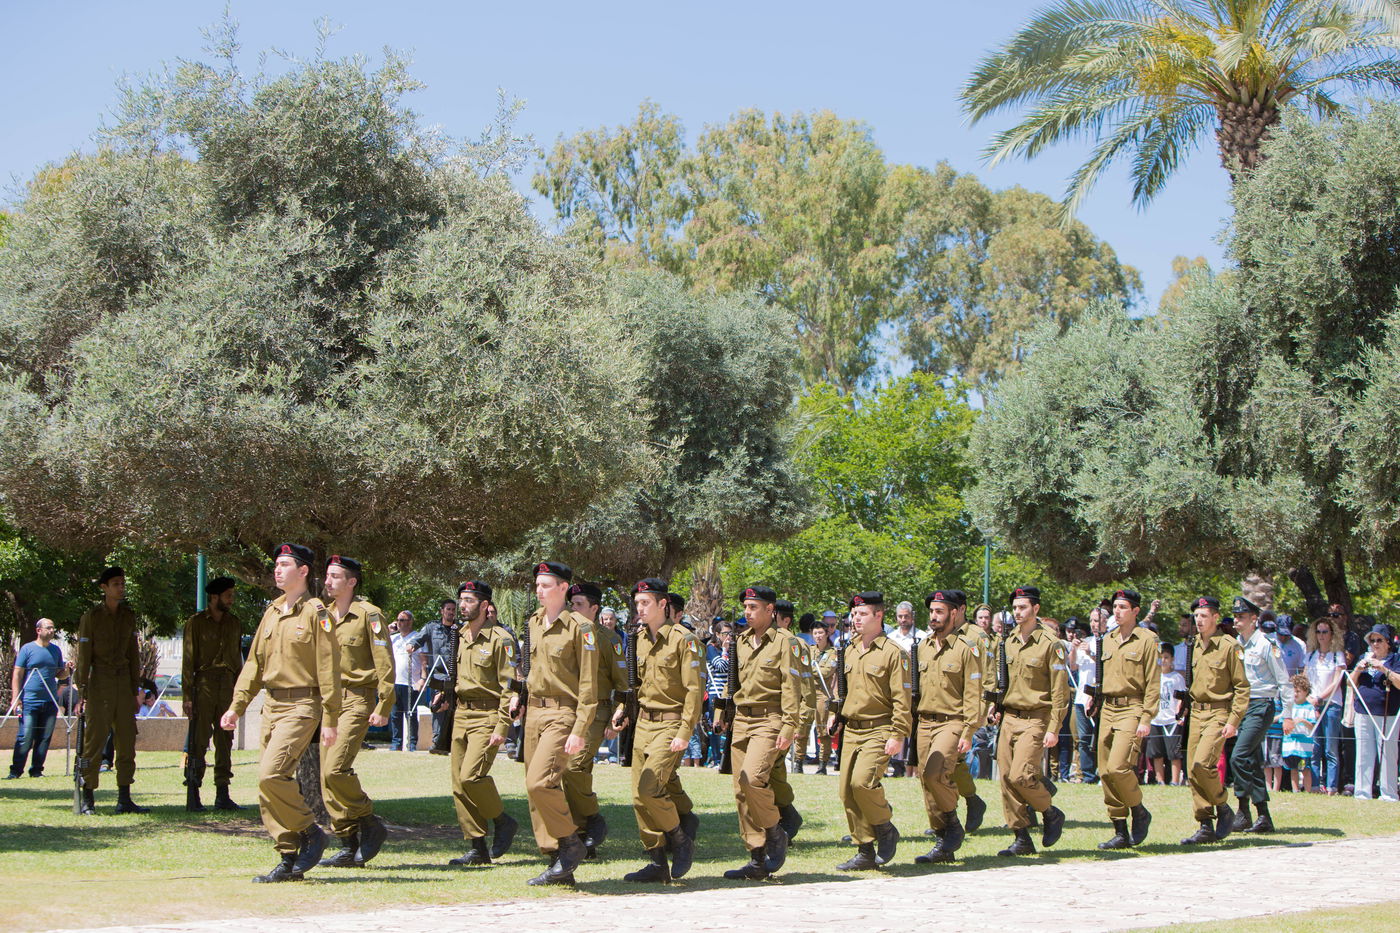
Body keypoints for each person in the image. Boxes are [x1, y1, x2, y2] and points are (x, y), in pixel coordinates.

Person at [220, 544, 342, 883]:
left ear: (302, 572)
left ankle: (311, 832)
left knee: (271, 775)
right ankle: (288, 857)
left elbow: (329, 667)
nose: (277, 570)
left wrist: (331, 718)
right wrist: (236, 706)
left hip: (303, 705)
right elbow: (254, 664)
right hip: (272, 705)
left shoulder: (317, 613)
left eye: (285, 564)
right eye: (276, 564)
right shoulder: (272, 611)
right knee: (268, 785)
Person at [512, 561, 598, 886]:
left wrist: (579, 729)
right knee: (535, 793)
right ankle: (557, 863)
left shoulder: (580, 627)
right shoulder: (533, 622)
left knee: (539, 782)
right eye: (537, 584)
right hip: (534, 711)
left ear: (564, 588)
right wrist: (518, 700)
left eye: (546, 585)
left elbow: (590, 686)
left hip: (563, 713)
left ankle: (571, 844)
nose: (539, 590)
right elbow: (530, 669)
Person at [613, 578, 701, 883]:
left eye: (645, 602)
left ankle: (680, 839)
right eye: (637, 603)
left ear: (663, 605)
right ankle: (657, 860)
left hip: (671, 723)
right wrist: (623, 710)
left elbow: (693, 689)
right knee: (638, 796)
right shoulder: (637, 639)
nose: (640, 608)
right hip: (644, 724)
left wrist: (685, 731)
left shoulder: (682, 639)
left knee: (651, 787)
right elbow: (634, 685)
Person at [316, 555, 393, 868]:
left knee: (336, 769)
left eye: (335, 576)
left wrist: (384, 704)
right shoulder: (324, 615)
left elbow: (384, 661)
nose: (328, 581)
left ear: (351, 582)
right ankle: (348, 843)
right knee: (325, 778)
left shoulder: (369, 615)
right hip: (330, 704)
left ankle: (369, 820)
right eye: (328, 575)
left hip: (358, 699)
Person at [722, 585, 800, 882]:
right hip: (742, 719)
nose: (747, 612)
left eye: (754, 607)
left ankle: (774, 831)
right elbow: (733, 685)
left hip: (771, 718)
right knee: (741, 791)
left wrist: (790, 725)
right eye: (745, 607)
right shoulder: (740, 641)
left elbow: (793, 688)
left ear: (770, 610)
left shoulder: (785, 642)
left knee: (753, 778)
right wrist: (723, 714)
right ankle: (756, 857)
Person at [831, 592, 908, 871]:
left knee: (862, 783)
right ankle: (864, 849)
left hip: (880, 728)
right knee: (846, 792)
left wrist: (898, 734)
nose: (856, 619)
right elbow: (843, 691)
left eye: (862, 614)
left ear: (879, 616)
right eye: (854, 614)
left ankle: (885, 826)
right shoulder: (848, 649)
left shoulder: (893, 652)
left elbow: (902, 697)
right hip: (852, 728)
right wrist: (834, 716)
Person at [445, 580, 519, 867]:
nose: (463, 605)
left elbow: (509, 687)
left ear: (485, 605)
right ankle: (477, 847)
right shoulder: (460, 635)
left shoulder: (501, 639)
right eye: (461, 599)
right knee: (459, 785)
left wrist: (503, 726)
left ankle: (503, 821)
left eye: (470, 600)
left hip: (488, 716)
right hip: (461, 714)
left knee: (471, 777)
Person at [994, 586, 1069, 857]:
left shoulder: (1051, 643)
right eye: (1015, 608)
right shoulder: (1007, 641)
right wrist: (996, 705)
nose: (1017, 612)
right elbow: (1000, 679)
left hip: (1037, 718)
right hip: (1010, 717)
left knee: (1021, 775)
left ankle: (1050, 811)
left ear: (1036, 609)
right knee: (1005, 778)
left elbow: (1061, 692)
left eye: (1022, 607)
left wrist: (1055, 727)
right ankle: (1021, 836)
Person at [911, 590, 982, 864]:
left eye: (939, 612)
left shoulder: (966, 648)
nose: (934, 617)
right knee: (925, 782)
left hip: (952, 722)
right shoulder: (923, 646)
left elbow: (973, 692)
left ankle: (952, 823)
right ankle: (943, 841)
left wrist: (969, 731)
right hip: (925, 721)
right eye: (931, 612)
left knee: (935, 774)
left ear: (954, 613)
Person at [75, 567, 148, 815]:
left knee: (127, 741)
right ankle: (88, 797)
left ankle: (124, 798)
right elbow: (83, 656)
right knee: (94, 742)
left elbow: (133, 655)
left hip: (123, 683)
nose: (121, 587)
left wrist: (134, 689)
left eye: (122, 583)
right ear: (104, 587)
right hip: (100, 684)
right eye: (115, 584)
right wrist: (81, 691)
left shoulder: (128, 616)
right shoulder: (92, 617)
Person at [1181, 597, 1250, 845]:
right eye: (1196, 616)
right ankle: (1205, 824)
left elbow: (1242, 687)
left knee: (1203, 764)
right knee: (1192, 771)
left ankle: (1222, 805)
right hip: (1196, 713)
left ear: (1215, 618)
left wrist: (1234, 720)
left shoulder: (1229, 646)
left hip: (1219, 712)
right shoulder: (1193, 645)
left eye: (1203, 615)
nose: (1198, 620)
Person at [1093, 589, 1159, 849]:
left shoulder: (1147, 639)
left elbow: (1153, 682)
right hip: (1108, 708)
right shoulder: (1107, 639)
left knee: (1119, 766)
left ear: (1135, 611)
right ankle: (1119, 828)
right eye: (1115, 607)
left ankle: (1139, 810)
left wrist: (1146, 717)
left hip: (1133, 707)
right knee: (1105, 771)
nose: (1116, 612)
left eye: (1122, 607)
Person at [565, 580, 627, 856]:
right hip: (567, 710)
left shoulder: (608, 639)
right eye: (571, 605)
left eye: (579, 605)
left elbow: (622, 682)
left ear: (594, 608)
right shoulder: (565, 633)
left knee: (574, 768)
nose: (574, 610)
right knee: (573, 773)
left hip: (596, 711)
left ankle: (592, 819)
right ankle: (580, 837)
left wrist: (618, 716)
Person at [1228, 596, 1294, 834]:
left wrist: (1287, 714)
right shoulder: (1236, 644)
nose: (1237, 620)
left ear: (1254, 619)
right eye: (1235, 616)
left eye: (1242, 616)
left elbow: (1283, 680)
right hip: (1241, 706)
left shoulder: (1266, 644)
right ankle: (1263, 816)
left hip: (1261, 704)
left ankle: (1243, 810)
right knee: (1252, 762)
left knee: (1239, 756)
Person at [182, 576, 244, 811]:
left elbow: (238, 660)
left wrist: (239, 695)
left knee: (225, 739)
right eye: (228, 595)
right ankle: (193, 790)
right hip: (203, 684)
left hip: (227, 685)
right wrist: (188, 695)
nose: (231, 600)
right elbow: (188, 660)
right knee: (198, 739)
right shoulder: (196, 623)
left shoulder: (234, 623)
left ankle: (222, 792)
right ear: (215, 597)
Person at [7, 618, 69, 779]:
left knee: (44, 737)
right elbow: (18, 673)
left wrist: (68, 671)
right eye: (48, 628)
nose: (52, 631)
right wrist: (16, 698)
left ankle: (36, 770)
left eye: (53, 628)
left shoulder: (55, 650)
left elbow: (59, 674)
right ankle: (15, 771)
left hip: (49, 701)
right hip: (29, 700)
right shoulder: (27, 649)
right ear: (38, 630)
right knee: (25, 736)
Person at [1347, 624, 1400, 801]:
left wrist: (1383, 669)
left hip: (1387, 713)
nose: (1375, 644)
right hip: (1363, 711)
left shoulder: (1395, 659)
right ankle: (1362, 793)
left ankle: (1388, 794)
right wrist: (1358, 669)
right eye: (1372, 641)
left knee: (1387, 754)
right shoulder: (1364, 657)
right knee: (1363, 753)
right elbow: (1350, 684)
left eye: (1379, 640)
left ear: (1388, 642)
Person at [405, 599, 459, 751]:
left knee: (455, 709)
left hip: (457, 676)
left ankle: (453, 741)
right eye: (448, 609)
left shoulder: (460, 629)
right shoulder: (432, 627)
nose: (451, 612)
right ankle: (437, 741)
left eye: (453, 609)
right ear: (442, 611)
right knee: (438, 707)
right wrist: (411, 645)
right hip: (438, 675)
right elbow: (418, 639)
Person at [1303, 616, 1346, 794]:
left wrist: (1320, 697)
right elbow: (1304, 679)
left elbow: (1337, 681)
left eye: (1325, 632)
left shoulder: (1337, 655)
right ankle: (1314, 785)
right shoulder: (1311, 655)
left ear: (1331, 634)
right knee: (1314, 747)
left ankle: (1332, 786)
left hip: (1331, 705)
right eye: (1318, 632)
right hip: (1312, 704)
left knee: (1330, 748)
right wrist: (1309, 699)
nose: (1321, 635)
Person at [1070, 610, 1102, 784]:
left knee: (1101, 737)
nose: (1093, 624)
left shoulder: (1107, 643)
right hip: (1082, 698)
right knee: (1083, 739)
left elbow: (1106, 666)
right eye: (1091, 620)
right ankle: (1087, 774)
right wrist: (1074, 649)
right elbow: (1073, 666)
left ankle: (1102, 772)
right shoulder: (1086, 642)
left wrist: (1091, 653)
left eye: (1096, 620)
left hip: (1099, 698)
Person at [1147, 644, 1186, 786]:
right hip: (1156, 718)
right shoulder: (1153, 677)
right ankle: (1160, 780)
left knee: (1174, 753)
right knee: (1157, 753)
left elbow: (1181, 698)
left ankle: (1175, 781)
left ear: (1172, 659)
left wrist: (1180, 714)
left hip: (1171, 719)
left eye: (1166, 657)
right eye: (1161, 657)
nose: (1163, 660)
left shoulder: (1176, 678)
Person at [389, 610, 422, 751]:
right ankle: (396, 743)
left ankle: (412, 743)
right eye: (399, 620)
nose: (400, 623)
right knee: (395, 714)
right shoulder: (393, 638)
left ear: (410, 621)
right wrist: (389, 630)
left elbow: (424, 660)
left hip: (410, 682)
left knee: (411, 714)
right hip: (395, 681)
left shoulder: (417, 638)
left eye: (403, 620)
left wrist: (422, 679)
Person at [810, 618, 838, 774]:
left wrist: (810, 669)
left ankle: (822, 764)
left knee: (822, 730)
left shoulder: (832, 653)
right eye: (815, 633)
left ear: (827, 634)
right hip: (809, 693)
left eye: (821, 632)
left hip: (823, 694)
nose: (818, 636)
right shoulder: (810, 650)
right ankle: (799, 762)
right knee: (801, 729)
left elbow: (827, 671)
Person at [1281, 673, 1317, 793]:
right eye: (1293, 691)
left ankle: (1307, 791)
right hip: (1290, 743)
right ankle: (1295, 790)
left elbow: (1312, 726)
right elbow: (1283, 722)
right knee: (1293, 768)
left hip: (1304, 743)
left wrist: (1301, 720)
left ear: (1306, 691)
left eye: (1298, 691)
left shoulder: (1309, 707)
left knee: (1305, 768)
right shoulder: (1289, 706)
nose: (1295, 694)